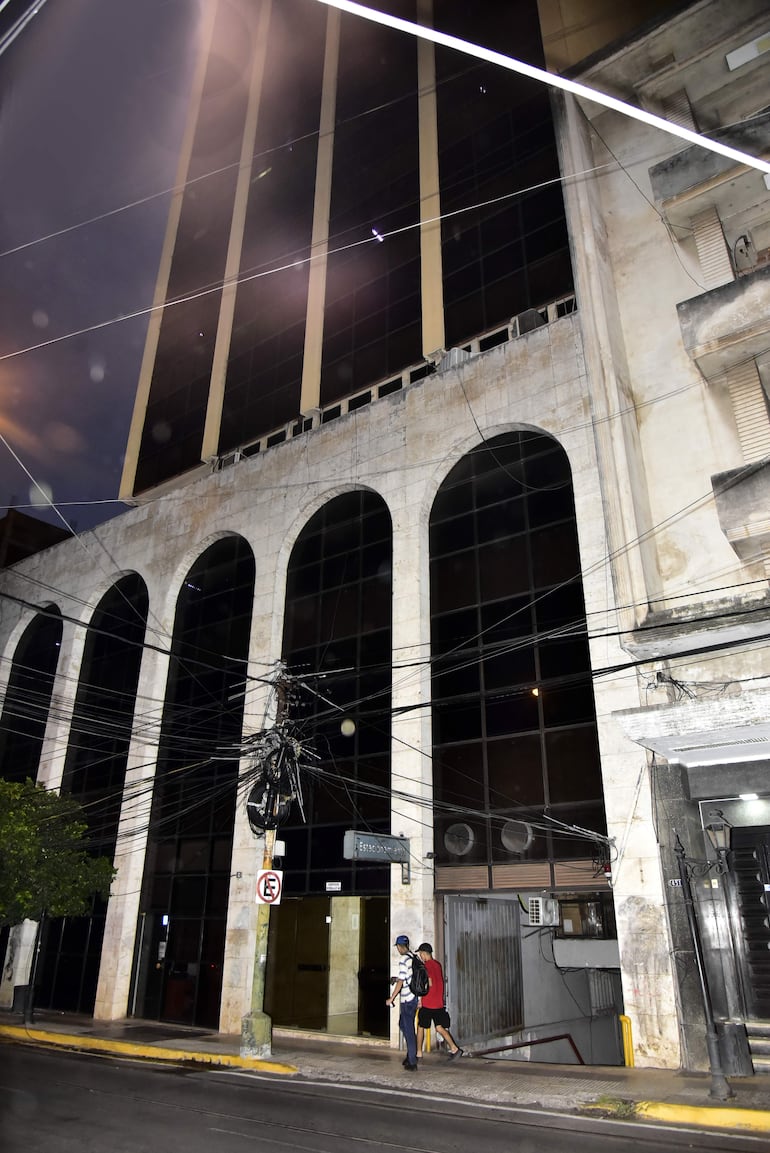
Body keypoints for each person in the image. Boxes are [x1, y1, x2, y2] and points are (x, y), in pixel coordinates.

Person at [415, 942, 463, 1059]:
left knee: (421, 1026)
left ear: (424, 954)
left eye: (421, 954)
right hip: (438, 1003)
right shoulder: (438, 965)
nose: (421, 956)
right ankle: (454, 1048)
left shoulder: (426, 966)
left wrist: (421, 997)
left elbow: (429, 983)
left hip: (428, 1003)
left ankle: (419, 1052)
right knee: (439, 1027)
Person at [387, 934, 418, 1070]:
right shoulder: (413, 958)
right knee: (403, 1024)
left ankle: (412, 1061)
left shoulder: (404, 960)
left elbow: (401, 981)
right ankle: (411, 1054)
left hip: (407, 998)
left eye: (398, 947)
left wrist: (392, 997)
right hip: (414, 997)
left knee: (409, 1029)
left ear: (400, 947)